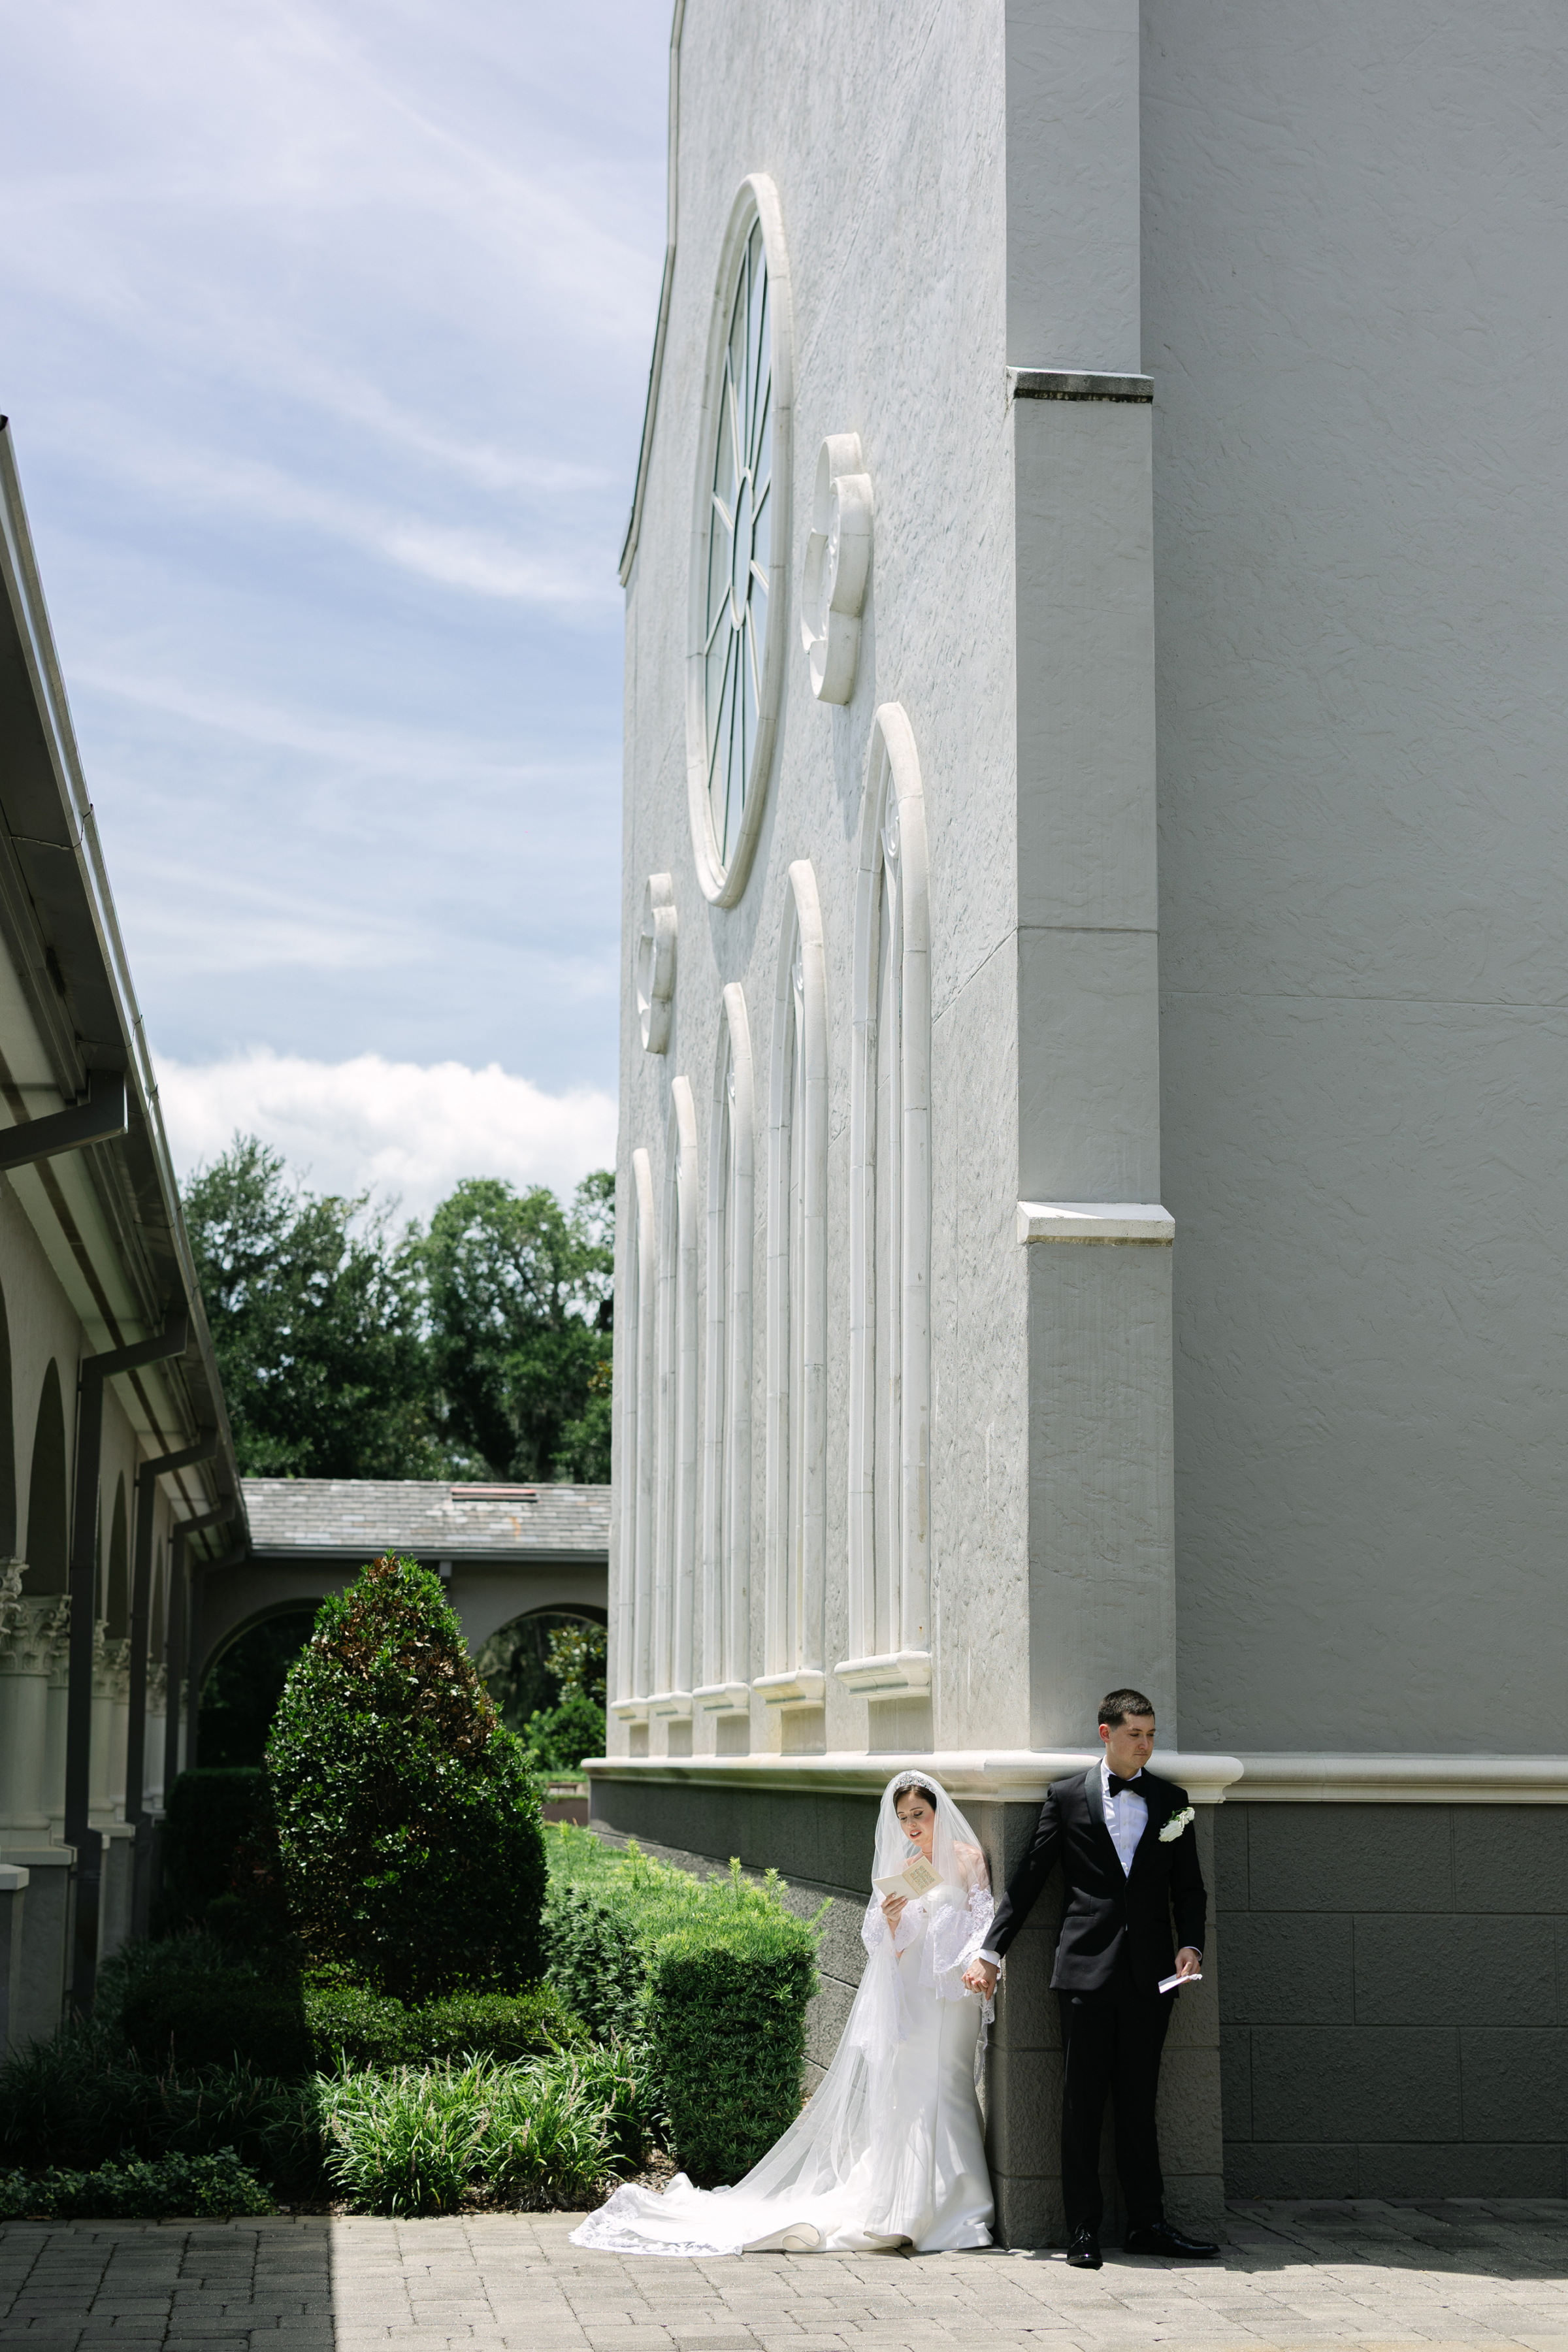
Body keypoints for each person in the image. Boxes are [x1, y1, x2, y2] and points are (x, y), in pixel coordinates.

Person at [571, 1770, 996, 2255]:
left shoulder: (965, 1860)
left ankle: (959, 2210)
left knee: (951, 2084)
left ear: (937, 1810)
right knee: (917, 2091)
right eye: (903, 1819)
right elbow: (886, 1945)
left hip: (953, 1992)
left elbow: (985, 1920)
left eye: (918, 1815)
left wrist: (979, 1962)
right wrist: (894, 1919)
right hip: (915, 1999)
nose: (912, 1826)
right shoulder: (906, 1864)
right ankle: (912, 2210)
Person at [962, 1688, 1218, 2270]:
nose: (1146, 1745)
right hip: (1084, 1972)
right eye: (1136, 1735)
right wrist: (991, 1952)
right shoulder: (1066, 1798)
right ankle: (1083, 2231)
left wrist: (1190, 1944)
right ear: (1106, 1733)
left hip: (1154, 1977)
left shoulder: (1174, 1802)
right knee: (1081, 2106)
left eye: (1152, 1735)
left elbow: (1190, 1888)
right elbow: (1028, 1881)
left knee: (1138, 2103)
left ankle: (1148, 2224)